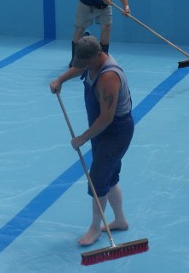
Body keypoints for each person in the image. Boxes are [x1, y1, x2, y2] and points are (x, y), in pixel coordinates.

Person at [51, 36, 135, 246]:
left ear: (98, 55)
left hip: (114, 131)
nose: (84, 67)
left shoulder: (109, 78)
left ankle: (95, 228)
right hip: (101, 130)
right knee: (110, 177)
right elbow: (80, 69)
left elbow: (106, 118)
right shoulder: (92, 62)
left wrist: (81, 138)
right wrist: (60, 79)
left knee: (97, 180)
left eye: (86, 63)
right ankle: (121, 220)